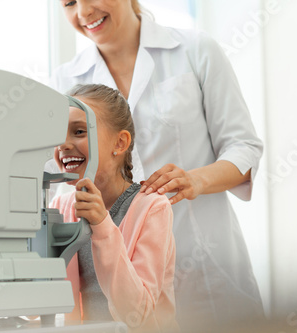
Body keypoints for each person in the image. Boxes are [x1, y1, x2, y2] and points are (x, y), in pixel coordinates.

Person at [51, 0, 265, 331]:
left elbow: (244, 147)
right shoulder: (66, 79)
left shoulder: (195, 49)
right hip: (115, 285)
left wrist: (197, 180)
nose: (82, 13)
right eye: (68, 3)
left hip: (206, 264)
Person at [50, 84, 179, 333]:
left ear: (120, 143)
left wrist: (102, 225)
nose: (63, 145)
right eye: (58, 135)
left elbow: (137, 314)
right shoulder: (59, 207)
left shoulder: (151, 207)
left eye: (78, 131)